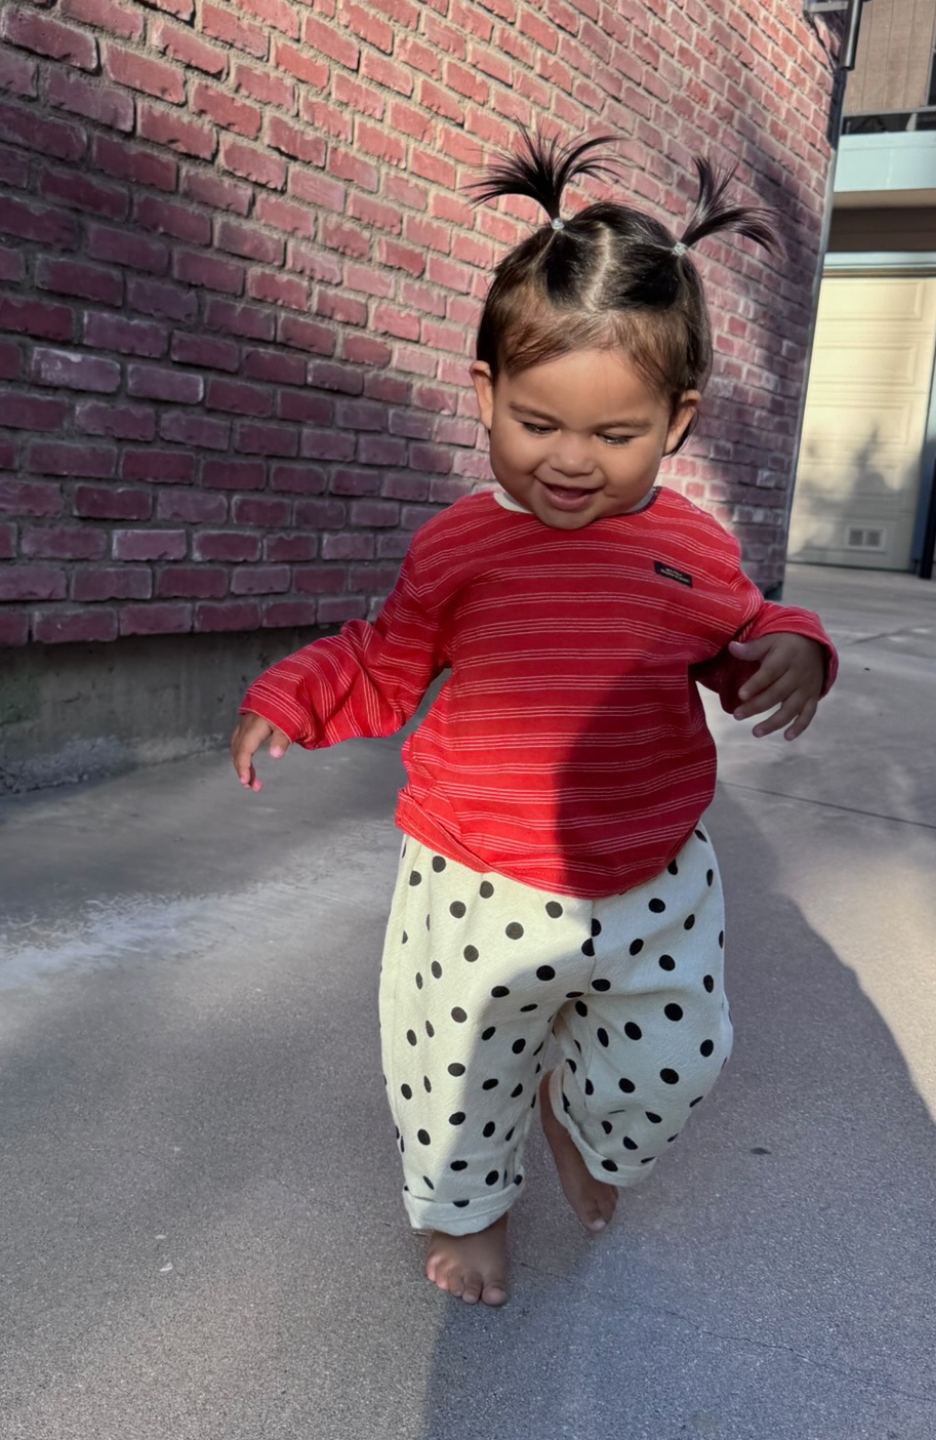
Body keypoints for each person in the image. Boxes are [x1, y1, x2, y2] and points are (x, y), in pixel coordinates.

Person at [231, 131, 838, 1308]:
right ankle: (473, 1207)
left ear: (677, 421)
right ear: (486, 395)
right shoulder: (460, 548)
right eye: (536, 423)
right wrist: (293, 694)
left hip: (652, 871)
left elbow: (751, 628)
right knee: (449, 1067)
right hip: (475, 875)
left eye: (613, 436)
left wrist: (797, 652)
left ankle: (585, 1127)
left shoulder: (691, 553)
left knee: (679, 1058)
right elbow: (385, 659)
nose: (569, 462)